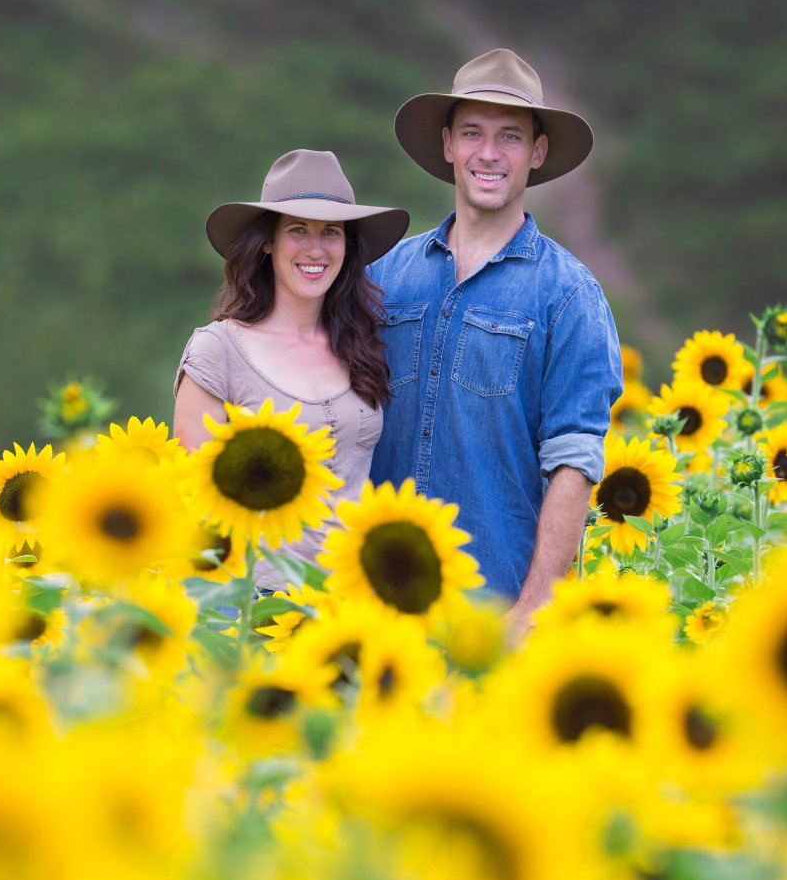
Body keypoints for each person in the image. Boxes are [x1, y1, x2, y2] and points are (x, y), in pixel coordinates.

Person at [369, 48, 623, 632]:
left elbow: (574, 463)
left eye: (510, 136)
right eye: (472, 133)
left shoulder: (569, 296)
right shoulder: (383, 279)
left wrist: (531, 613)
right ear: (447, 145)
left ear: (537, 152)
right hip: (377, 609)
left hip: (492, 615)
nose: (489, 153)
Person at [173, 148, 409, 591]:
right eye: (297, 230)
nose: (315, 249)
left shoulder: (361, 346)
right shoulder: (219, 350)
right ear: (267, 241)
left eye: (331, 232)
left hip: (347, 599)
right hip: (252, 604)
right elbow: (195, 501)